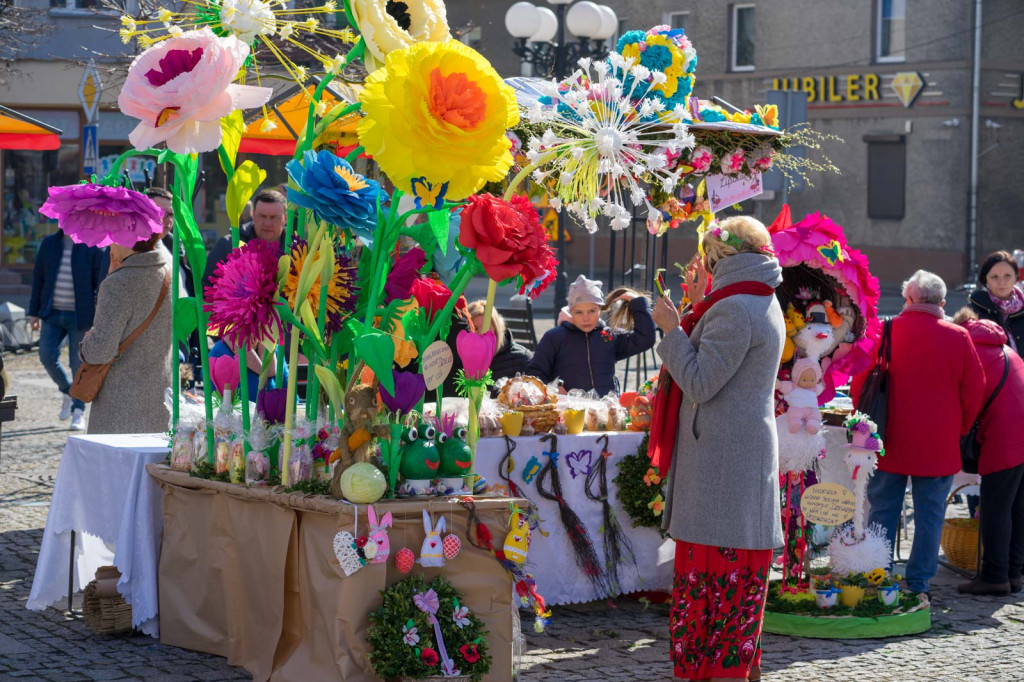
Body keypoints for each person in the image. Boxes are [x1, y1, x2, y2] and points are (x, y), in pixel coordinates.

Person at [649, 216, 784, 682]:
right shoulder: (757, 297)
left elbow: (702, 382)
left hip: (723, 468)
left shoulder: (734, 307)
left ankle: (709, 672)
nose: (702, 265)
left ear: (722, 258)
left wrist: (669, 330)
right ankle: (729, 668)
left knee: (714, 580)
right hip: (735, 461)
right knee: (735, 580)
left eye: (706, 256)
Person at [851, 270, 985, 599]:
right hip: (938, 442)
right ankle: (920, 582)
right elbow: (975, 390)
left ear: (908, 298)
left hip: (889, 438)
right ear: (941, 302)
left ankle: (878, 574)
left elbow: (860, 381)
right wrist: (961, 428)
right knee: (931, 514)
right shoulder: (958, 336)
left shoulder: (888, 330)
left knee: (882, 508)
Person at [952, 308, 1024, 596]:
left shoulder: (971, 352)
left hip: (1003, 439)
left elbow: (968, 402)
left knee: (995, 508)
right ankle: (1014, 573)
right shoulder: (1003, 347)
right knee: (1018, 508)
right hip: (1018, 433)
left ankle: (994, 576)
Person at [79, 232, 172, 434]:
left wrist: (86, 342)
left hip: (119, 405)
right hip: (160, 400)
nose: (108, 242)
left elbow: (99, 351)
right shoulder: (169, 274)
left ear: (126, 238)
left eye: (112, 235)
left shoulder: (117, 284)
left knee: (114, 465)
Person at [27, 229, 107, 431]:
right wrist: (33, 312)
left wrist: (97, 317)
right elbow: (39, 279)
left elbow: (100, 283)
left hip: (80, 317)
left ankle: (78, 411)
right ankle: (67, 391)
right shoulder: (49, 243)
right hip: (51, 313)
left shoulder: (92, 244)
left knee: (77, 364)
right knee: (46, 356)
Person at [527, 275, 654, 395]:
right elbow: (535, 373)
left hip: (604, 410)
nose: (586, 318)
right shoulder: (554, 337)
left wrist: (636, 301)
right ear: (570, 311)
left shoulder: (609, 336)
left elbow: (644, 339)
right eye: (579, 312)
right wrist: (552, 391)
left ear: (600, 308)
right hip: (567, 411)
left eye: (592, 311)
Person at [202, 189, 287, 293]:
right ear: (253, 215)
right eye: (262, 216)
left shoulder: (297, 251)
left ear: (285, 219)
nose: (267, 223)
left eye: (274, 217)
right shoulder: (228, 245)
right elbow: (207, 286)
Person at [969, 251, 1024, 353]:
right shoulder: (972, 312)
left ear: (1016, 276)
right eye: (994, 277)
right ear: (986, 279)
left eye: (1007, 275)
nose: (1001, 282)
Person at [466, 300, 532, 382]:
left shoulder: (521, 359)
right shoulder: (455, 359)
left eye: (486, 328)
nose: (480, 334)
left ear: (496, 330)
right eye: (474, 328)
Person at [208, 336, 285, 398]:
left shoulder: (274, 348)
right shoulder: (219, 354)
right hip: (238, 416)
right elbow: (218, 402)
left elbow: (289, 392)